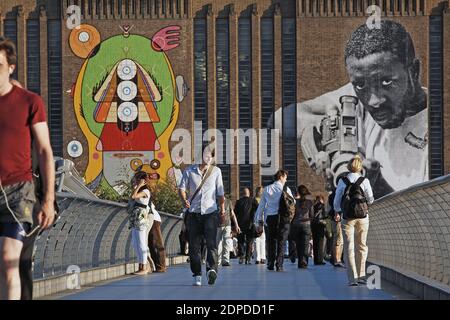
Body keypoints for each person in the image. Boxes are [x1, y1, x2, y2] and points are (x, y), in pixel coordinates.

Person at [278, 20, 428, 198]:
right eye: (360, 85)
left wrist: (377, 184)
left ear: (414, 72)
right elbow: (281, 118)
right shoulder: (359, 92)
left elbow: (428, 214)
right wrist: (326, 138)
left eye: (387, 82)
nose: (373, 101)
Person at [0, 37, 55, 300]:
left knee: (9, 259)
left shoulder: (30, 102)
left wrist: (48, 201)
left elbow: (44, 150)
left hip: (18, 192)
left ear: (10, 67)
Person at [179, 147, 225, 286]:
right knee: (194, 246)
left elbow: (220, 193)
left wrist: (222, 211)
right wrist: (184, 199)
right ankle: (197, 274)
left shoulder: (216, 171)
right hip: (193, 213)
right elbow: (181, 188)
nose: (208, 158)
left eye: (210, 156)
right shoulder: (189, 171)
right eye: (206, 155)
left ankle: (211, 270)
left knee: (212, 244)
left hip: (210, 213)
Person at [334, 155, 374, 286]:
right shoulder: (365, 180)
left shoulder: (342, 181)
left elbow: (337, 200)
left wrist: (338, 210)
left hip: (347, 217)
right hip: (363, 217)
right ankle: (362, 276)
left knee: (349, 246)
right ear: (360, 167)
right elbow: (371, 199)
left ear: (349, 166)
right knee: (362, 246)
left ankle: (352, 279)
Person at [254, 170, 294, 272]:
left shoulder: (267, 189)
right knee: (281, 242)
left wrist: (258, 221)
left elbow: (261, 206)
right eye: (285, 177)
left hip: (270, 218)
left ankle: (270, 263)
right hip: (283, 219)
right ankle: (279, 265)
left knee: (270, 241)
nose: (286, 179)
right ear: (281, 177)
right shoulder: (286, 189)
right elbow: (293, 203)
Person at [128, 172, 154, 275]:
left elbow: (134, 196)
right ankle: (140, 265)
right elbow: (132, 197)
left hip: (142, 217)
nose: (136, 180)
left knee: (142, 243)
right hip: (135, 217)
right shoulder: (140, 190)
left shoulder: (146, 191)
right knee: (135, 242)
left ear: (142, 180)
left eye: (137, 179)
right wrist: (136, 186)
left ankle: (144, 267)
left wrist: (139, 185)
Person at [290, 185, 314, 269]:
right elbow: (312, 215)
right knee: (305, 245)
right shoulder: (310, 202)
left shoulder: (294, 202)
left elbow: (292, 215)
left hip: (296, 225)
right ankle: (304, 262)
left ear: (298, 192)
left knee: (298, 245)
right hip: (306, 225)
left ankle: (300, 262)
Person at [234, 188, 257, 265]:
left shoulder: (238, 202)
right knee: (249, 242)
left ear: (242, 194)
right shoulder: (253, 201)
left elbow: (234, 213)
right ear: (249, 193)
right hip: (250, 224)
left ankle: (241, 257)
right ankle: (248, 259)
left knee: (240, 241)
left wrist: (234, 225)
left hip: (240, 224)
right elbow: (258, 209)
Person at [217, 195, 239, 267]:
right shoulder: (214, 201)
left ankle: (225, 260)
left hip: (227, 224)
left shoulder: (228, 201)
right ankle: (218, 260)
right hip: (217, 225)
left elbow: (232, 214)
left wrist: (236, 225)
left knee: (226, 241)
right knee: (218, 243)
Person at [148, 202, 166, 273]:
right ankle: (157, 266)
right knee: (151, 245)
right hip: (151, 219)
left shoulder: (144, 192)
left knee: (157, 243)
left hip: (154, 219)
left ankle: (161, 266)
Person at [311, 195, 327, 265]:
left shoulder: (313, 206)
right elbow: (324, 215)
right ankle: (320, 260)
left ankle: (315, 260)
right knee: (320, 243)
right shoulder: (322, 205)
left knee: (315, 243)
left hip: (313, 225)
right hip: (320, 224)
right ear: (321, 200)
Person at [253, 186, 266, 265]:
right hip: (259, 220)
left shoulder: (260, 200)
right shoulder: (255, 201)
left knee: (260, 239)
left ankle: (260, 258)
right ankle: (260, 258)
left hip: (260, 220)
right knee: (259, 239)